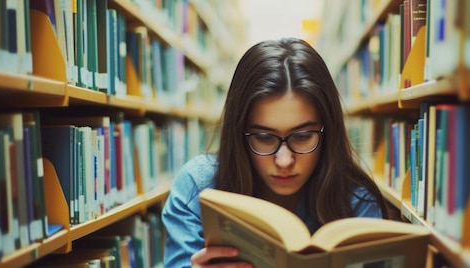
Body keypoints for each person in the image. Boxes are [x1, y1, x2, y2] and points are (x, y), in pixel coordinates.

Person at [161, 37, 389, 268]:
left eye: (302, 137)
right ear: (239, 134)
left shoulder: (357, 200)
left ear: (328, 132)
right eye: (264, 138)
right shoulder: (197, 187)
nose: (284, 160)